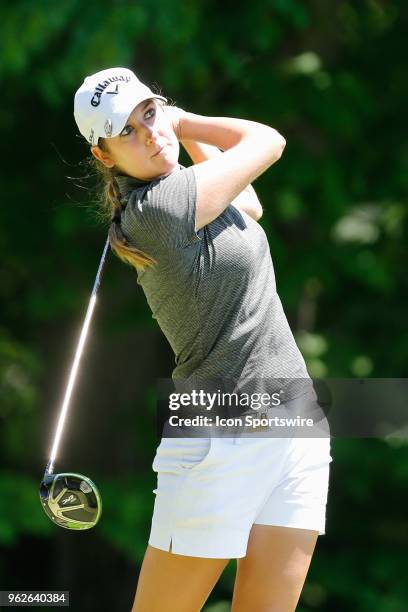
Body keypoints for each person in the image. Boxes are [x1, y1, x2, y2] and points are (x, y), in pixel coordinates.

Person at [74, 67, 332, 612]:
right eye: (129, 130)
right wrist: (185, 120)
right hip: (221, 439)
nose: (151, 133)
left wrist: (178, 131)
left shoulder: (190, 194)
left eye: (150, 112)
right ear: (105, 156)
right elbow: (268, 141)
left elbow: (251, 208)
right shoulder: (158, 212)